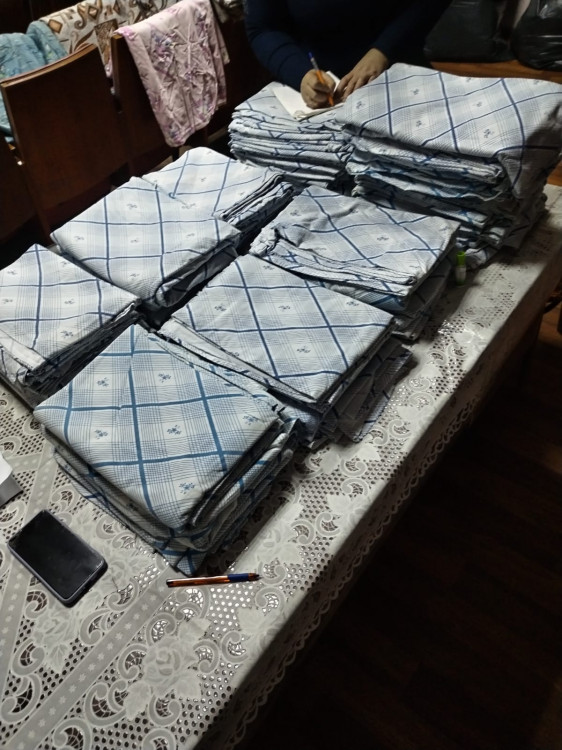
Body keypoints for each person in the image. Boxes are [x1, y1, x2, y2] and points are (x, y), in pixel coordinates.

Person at [244, 0, 452, 109]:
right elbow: (264, 28)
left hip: (399, 72)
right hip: (320, 88)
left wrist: (384, 51)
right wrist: (301, 74)